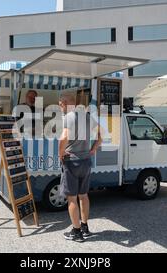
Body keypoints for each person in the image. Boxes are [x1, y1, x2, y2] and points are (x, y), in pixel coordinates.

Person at [59, 92, 102, 243]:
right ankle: (84, 227)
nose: (59, 107)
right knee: (83, 195)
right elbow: (100, 136)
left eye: (60, 104)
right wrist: (93, 149)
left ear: (65, 103)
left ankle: (76, 232)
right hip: (86, 161)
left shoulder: (68, 117)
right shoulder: (88, 117)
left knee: (72, 198)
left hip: (72, 161)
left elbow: (63, 138)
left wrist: (60, 153)